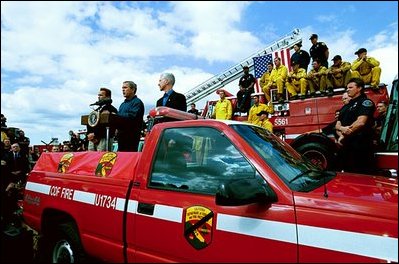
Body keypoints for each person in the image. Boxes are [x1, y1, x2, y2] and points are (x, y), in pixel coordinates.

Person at [335, 78, 376, 174]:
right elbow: (337, 124)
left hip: (361, 147)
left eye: (350, 87)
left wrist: (345, 134)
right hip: (346, 147)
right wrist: (342, 132)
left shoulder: (365, 102)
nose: (347, 90)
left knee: (362, 175)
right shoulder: (346, 106)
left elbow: (361, 122)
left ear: (359, 88)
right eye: (347, 88)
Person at [117, 81, 145, 152]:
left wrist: (116, 115)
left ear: (133, 89)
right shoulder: (122, 104)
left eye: (125, 87)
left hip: (131, 137)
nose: (123, 90)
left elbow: (132, 117)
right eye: (122, 88)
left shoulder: (137, 102)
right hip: (121, 137)